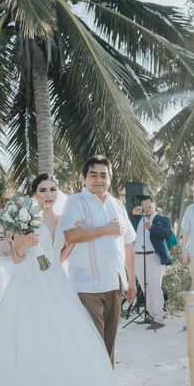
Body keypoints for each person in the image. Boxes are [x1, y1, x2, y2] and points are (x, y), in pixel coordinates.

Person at [0, 173, 128, 386]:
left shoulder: (62, 221)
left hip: (56, 282)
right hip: (28, 284)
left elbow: (58, 258)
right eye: (43, 190)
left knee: (63, 337)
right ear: (34, 193)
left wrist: (69, 247)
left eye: (52, 190)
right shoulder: (24, 219)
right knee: (30, 338)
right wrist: (24, 244)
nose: (48, 195)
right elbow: (16, 259)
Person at [61, 155, 137, 365]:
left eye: (103, 175)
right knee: (93, 342)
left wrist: (132, 280)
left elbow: (128, 245)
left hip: (115, 282)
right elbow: (71, 235)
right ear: (84, 178)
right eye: (93, 175)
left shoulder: (117, 205)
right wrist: (106, 230)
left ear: (110, 178)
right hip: (86, 284)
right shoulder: (75, 201)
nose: (98, 180)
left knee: (109, 342)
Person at [130, 195, 173, 330]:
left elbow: (168, 234)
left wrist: (152, 227)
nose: (147, 208)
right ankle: (150, 315)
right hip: (138, 257)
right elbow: (125, 226)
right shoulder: (137, 219)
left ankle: (159, 319)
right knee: (145, 288)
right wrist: (133, 213)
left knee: (155, 287)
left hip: (154, 257)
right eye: (144, 206)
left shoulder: (162, 219)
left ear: (154, 204)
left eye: (149, 205)